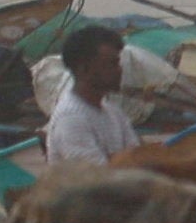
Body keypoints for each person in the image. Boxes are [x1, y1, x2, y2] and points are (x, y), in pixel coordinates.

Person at [38, 25, 149, 169]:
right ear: (83, 69)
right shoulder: (71, 118)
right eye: (112, 64)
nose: (120, 70)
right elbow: (99, 178)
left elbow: (139, 157)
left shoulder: (113, 112)